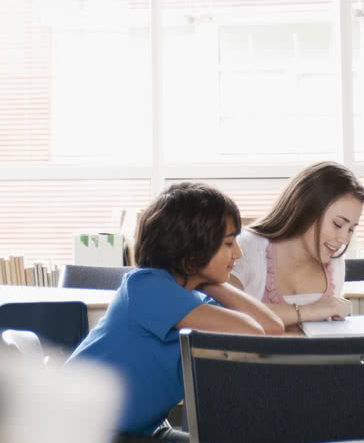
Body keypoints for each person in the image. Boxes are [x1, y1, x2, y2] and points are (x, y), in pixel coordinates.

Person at [67, 182, 284, 442]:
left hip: (140, 431)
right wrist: (205, 274)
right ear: (192, 249)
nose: (237, 253)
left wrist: (207, 279)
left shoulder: (193, 299)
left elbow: (272, 328)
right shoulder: (147, 287)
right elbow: (253, 333)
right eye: (228, 243)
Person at [229, 161, 364, 329]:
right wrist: (311, 310)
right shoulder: (247, 246)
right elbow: (227, 313)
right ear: (306, 210)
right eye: (338, 224)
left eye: (351, 229)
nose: (344, 239)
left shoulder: (335, 261)